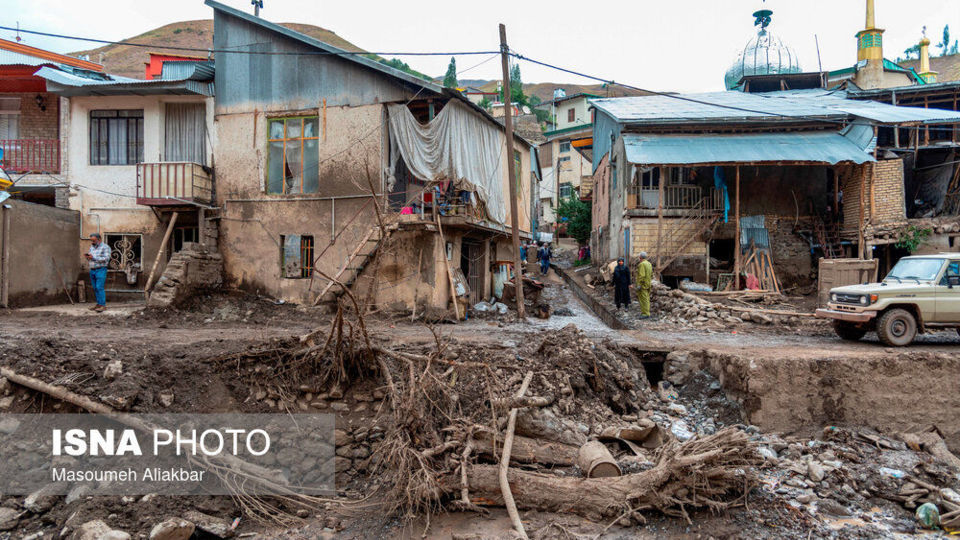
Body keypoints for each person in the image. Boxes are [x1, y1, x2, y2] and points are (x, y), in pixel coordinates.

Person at [84, 233, 111, 312]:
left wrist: (93, 257)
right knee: (95, 288)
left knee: (99, 287)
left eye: (94, 240)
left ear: (99, 239)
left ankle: (103, 305)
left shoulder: (105, 247)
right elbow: (92, 258)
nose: (92, 242)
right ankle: (99, 304)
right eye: (91, 240)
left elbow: (106, 258)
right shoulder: (92, 247)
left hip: (101, 269)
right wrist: (88, 257)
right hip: (92, 269)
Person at [635, 251, 653, 319]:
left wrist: (639, 284)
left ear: (640, 257)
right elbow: (651, 274)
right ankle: (647, 312)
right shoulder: (649, 264)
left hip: (643, 285)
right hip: (648, 284)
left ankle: (645, 314)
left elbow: (641, 275)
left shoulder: (642, 264)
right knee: (647, 299)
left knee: (643, 299)